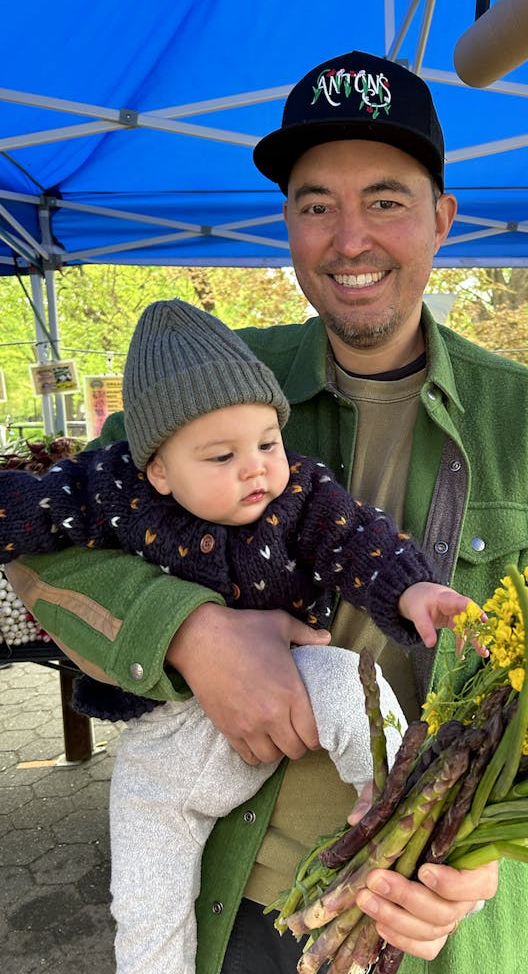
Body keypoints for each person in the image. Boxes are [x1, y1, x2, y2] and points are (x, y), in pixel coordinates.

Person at [7, 50, 528, 974]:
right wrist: (188, 633)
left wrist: (486, 844)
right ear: (286, 223)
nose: (349, 239)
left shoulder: (524, 417)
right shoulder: (205, 387)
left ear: (442, 218)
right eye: (316, 205)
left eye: (386, 201)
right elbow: (45, 554)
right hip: (242, 893)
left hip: (441, 907)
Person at [0, 296, 484, 974]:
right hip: (166, 731)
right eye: (222, 455)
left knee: (350, 680)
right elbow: (40, 508)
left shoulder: (299, 496)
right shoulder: (114, 488)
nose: (256, 468)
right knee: (144, 893)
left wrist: (413, 589)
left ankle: (390, 799)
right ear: (158, 469)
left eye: (267, 442)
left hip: (291, 679)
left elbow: (359, 541)